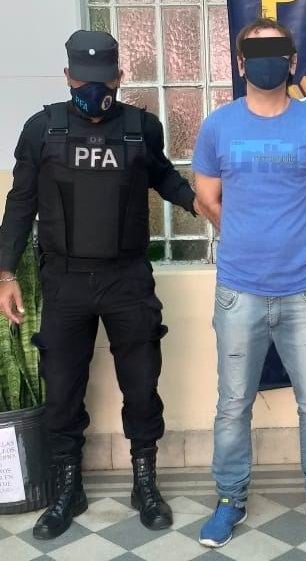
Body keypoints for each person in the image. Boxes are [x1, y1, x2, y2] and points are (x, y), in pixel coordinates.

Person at [0, 30, 197, 539]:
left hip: (127, 278)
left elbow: (164, 177)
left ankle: (144, 482)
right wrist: (5, 273)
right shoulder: (41, 129)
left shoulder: (141, 128)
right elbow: (21, 203)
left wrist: (201, 203)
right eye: (83, 80)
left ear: (119, 78)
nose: (94, 90)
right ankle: (68, 488)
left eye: (104, 81)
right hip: (64, 280)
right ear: (67, 76)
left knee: (142, 384)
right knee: (63, 388)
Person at [193, 17, 306, 548]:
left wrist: (303, 233)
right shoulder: (218, 126)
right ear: (241, 63)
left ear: (292, 61)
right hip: (239, 290)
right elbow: (206, 199)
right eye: (255, 53)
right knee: (232, 405)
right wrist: (243, 232)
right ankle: (229, 500)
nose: (266, 62)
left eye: (276, 52)